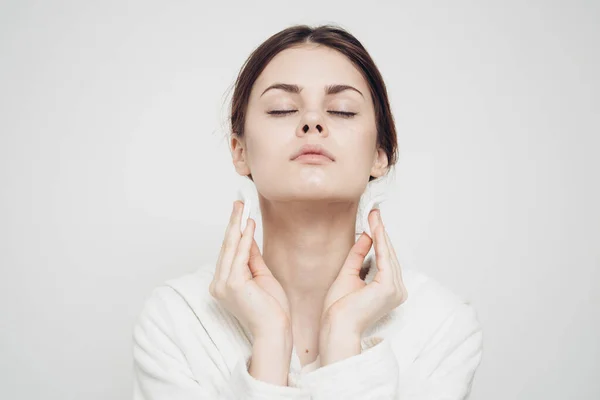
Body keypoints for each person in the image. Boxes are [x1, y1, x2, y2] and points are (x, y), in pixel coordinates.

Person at [132, 24, 483, 399]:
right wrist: (270, 340)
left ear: (380, 155)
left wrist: (344, 335)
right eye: (282, 109)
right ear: (239, 150)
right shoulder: (177, 321)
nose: (312, 122)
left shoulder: (440, 326)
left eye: (342, 111)